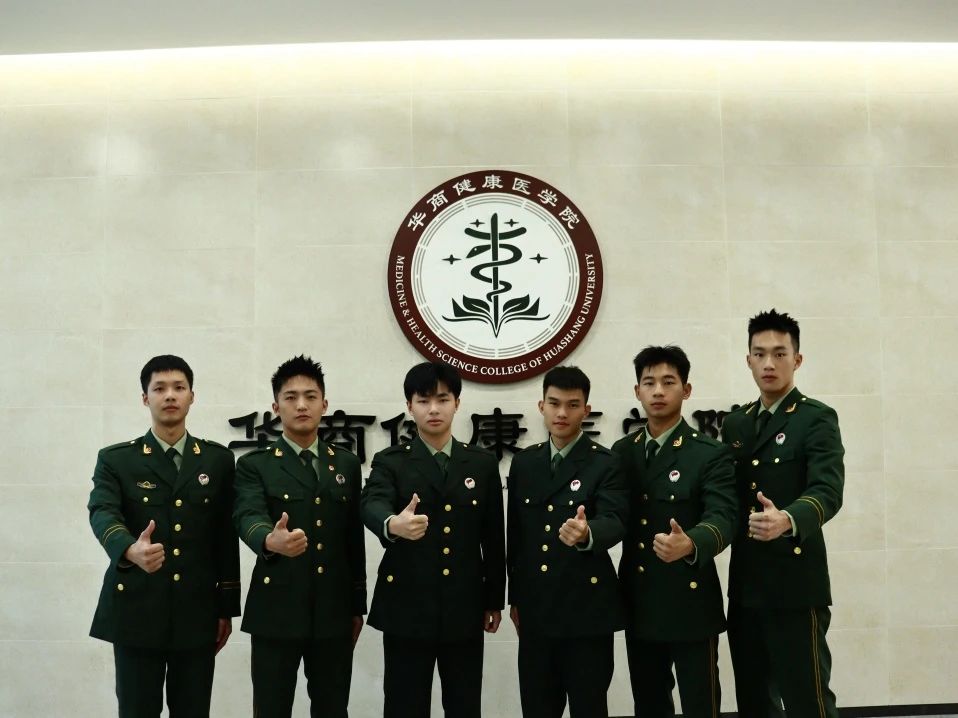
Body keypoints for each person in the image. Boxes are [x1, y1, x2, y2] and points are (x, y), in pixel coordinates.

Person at [88, 354, 240, 718]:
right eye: (159, 388)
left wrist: (226, 607)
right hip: (136, 610)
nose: (170, 395)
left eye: (179, 387)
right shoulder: (117, 460)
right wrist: (128, 549)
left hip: (197, 612)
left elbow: (225, 536)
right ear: (145, 398)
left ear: (192, 396)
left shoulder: (217, 460)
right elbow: (102, 511)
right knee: (137, 710)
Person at [360, 361, 505, 718]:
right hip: (406, 607)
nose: (434, 409)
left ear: (457, 403)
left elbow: (493, 537)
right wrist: (392, 523)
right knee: (404, 705)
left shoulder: (482, 463)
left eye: (442, 399)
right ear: (409, 406)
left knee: (464, 704)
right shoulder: (391, 461)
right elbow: (371, 502)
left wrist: (493, 599)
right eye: (423, 401)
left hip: (464, 606)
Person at [722, 309, 844, 717]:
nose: (769, 363)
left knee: (808, 700)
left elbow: (828, 490)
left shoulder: (816, 418)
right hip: (746, 586)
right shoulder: (736, 424)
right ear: (748, 360)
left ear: (798, 359)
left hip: (796, 584)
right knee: (754, 701)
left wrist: (788, 519)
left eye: (779, 353)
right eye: (759, 354)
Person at [233, 355, 365, 718]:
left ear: (325, 404)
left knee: (333, 709)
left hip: (334, 612)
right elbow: (247, 514)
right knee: (271, 710)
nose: (301, 405)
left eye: (310, 396)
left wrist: (357, 605)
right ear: (276, 408)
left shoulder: (346, 464)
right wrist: (268, 540)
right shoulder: (255, 464)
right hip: (275, 611)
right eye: (290, 397)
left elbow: (353, 541)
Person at [612, 345, 736, 717]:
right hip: (639, 599)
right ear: (637, 391)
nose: (658, 391)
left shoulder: (708, 453)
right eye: (649, 382)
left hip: (691, 601)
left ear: (687, 389)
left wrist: (692, 542)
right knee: (649, 704)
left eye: (669, 382)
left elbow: (724, 516)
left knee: (701, 704)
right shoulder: (622, 452)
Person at [506, 365, 628, 718]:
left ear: (586, 410)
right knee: (537, 707)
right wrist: (516, 597)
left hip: (587, 611)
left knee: (589, 706)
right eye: (554, 403)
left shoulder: (605, 462)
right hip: (536, 610)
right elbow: (516, 538)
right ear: (541, 406)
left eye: (572, 405)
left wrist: (589, 534)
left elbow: (616, 519)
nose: (562, 413)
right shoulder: (524, 463)